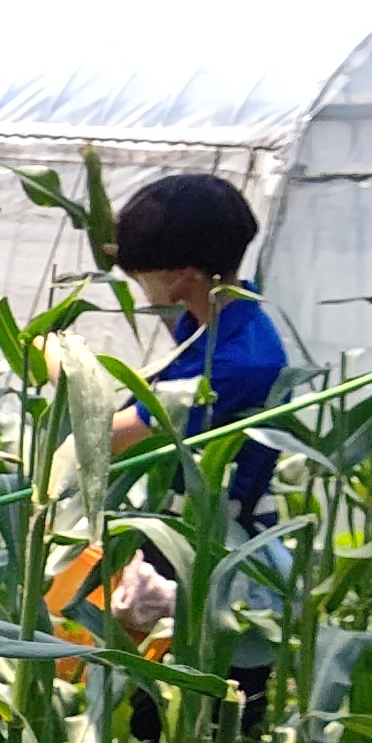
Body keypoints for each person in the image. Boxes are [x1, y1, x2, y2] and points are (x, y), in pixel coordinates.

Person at [104, 174, 292, 652]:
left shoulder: (239, 361)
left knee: (211, 704)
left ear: (180, 273)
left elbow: (111, 438)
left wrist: (59, 369)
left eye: (139, 272)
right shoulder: (208, 322)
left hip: (220, 551)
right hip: (177, 535)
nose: (135, 284)